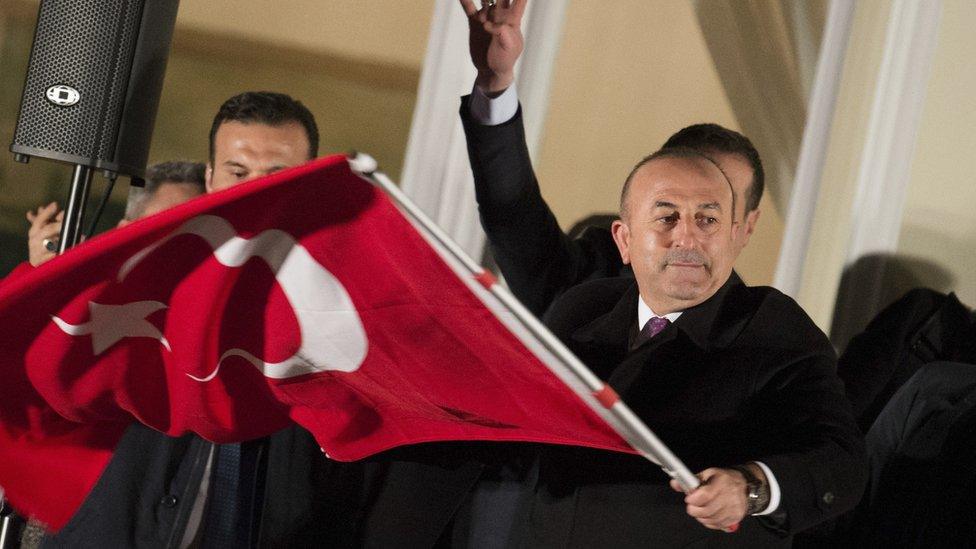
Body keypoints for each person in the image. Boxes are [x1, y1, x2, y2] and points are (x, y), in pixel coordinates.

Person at [31, 92, 365, 548]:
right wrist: (50, 293)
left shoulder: (338, 301)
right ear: (210, 178)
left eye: (277, 174)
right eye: (238, 172)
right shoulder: (143, 275)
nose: (254, 188)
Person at [458, 0, 764, 317]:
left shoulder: (755, 343)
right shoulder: (594, 279)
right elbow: (513, 213)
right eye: (669, 212)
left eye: (709, 215)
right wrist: (496, 82)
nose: (685, 237)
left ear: (745, 227)